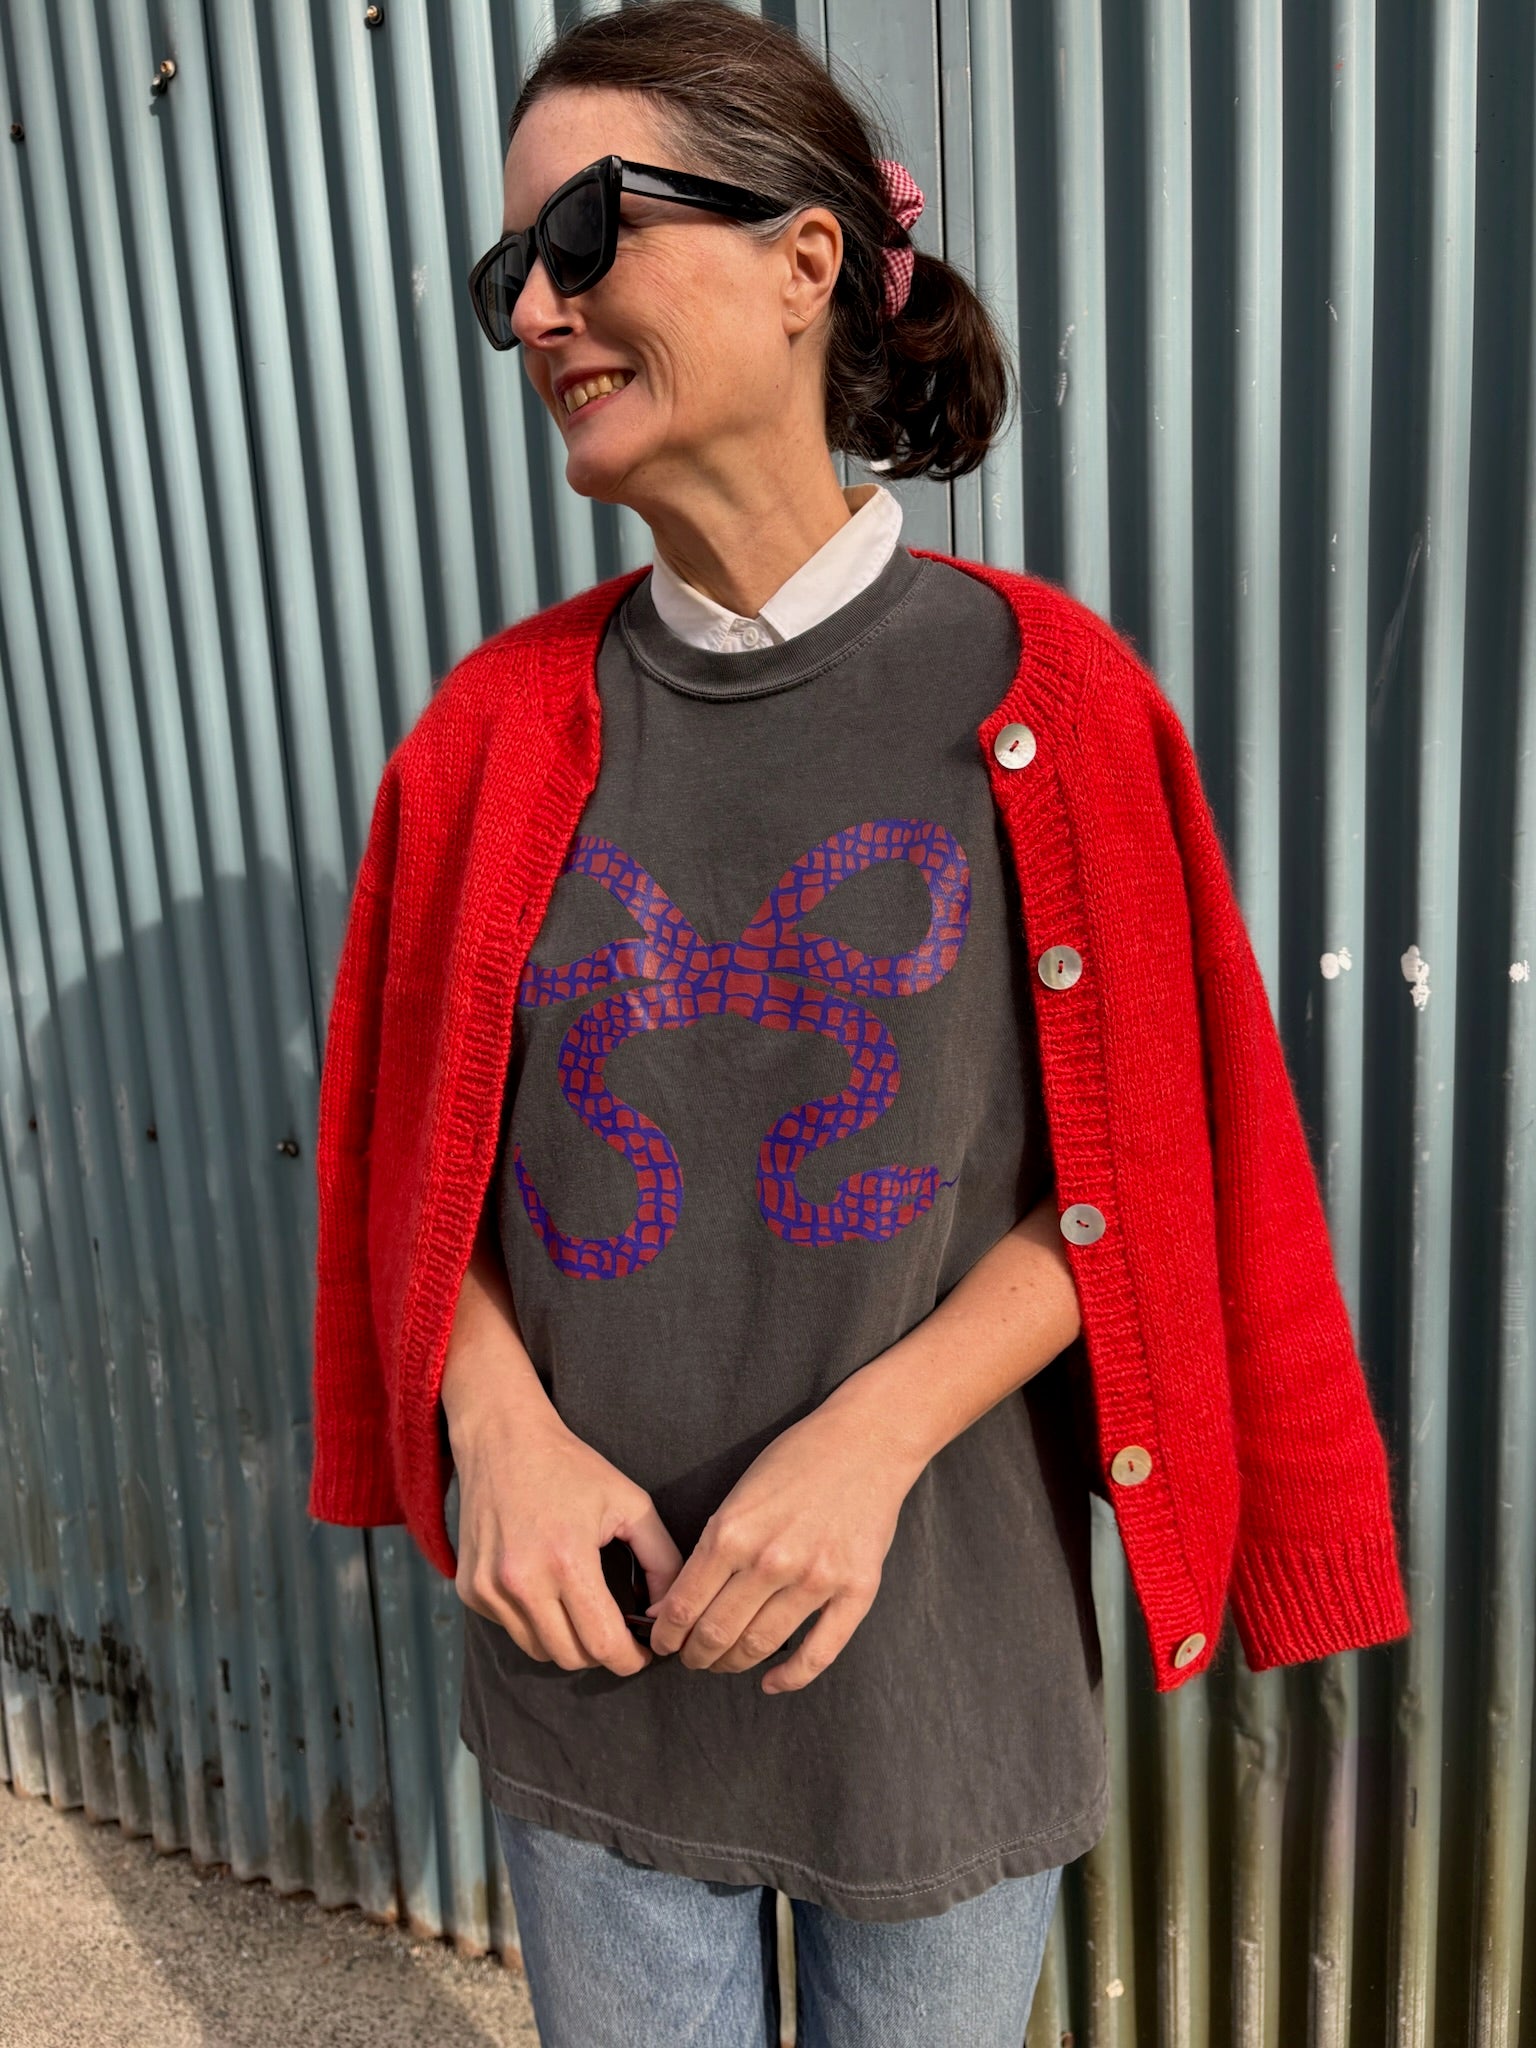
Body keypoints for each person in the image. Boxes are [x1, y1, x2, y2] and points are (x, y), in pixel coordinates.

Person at [307, 1, 1411, 2041]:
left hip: (937, 1673)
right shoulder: (489, 734)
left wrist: (875, 1434)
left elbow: (1144, 1185)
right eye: (506, 275)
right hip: (601, 1674)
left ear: (809, 260)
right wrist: (493, 1423)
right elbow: (405, 1173)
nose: (537, 314)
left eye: (587, 236)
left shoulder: (1050, 705)